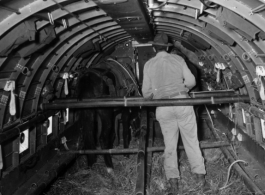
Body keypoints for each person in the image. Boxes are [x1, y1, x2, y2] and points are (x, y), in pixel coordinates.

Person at [142, 33, 210, 194]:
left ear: (154, 48)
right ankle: (201, 178)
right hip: (183, 104)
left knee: (170, 145)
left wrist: (158, 94)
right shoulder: (178, 60)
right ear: (168, 47)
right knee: (192, 141)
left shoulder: (149, 65)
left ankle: (173, 183)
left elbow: (146, 93)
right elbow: (192, 81)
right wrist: (183, 90)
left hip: (163, 106)